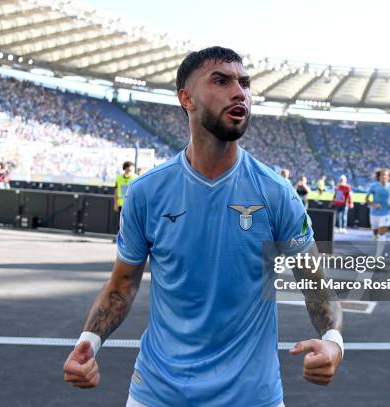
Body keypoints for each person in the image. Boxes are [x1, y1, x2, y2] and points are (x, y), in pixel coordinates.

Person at [63, 46, 343, 407]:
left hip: (252, 398)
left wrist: (334, 341)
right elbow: (122, 284)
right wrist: (89, 342)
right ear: (186, 98)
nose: (240, 91)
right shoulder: (147, 192)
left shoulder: (276, 193)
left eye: (244, 83)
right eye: (221, 80)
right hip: (157, 395)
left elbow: (316, 285)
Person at [365, 168, 390, 256]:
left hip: (385, 214)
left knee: (381, 234)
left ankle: (378, 255)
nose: (384, 176)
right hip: (374, 213)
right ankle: (374, 234)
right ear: (379, 176)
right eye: (382, 174)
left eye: (386, 175)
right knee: (375, 231)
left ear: (389, 177)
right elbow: (367, 199)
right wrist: (374, 205)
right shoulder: (373, 186)